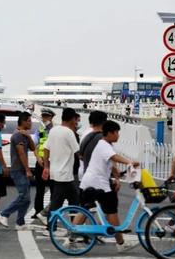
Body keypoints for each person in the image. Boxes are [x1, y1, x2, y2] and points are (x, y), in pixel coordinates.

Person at [74, 120, 140, 252]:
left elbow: (111, 163)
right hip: (98, 184)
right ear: (110, 133)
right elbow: (115, 158)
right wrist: (130, 162)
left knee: (85, 209)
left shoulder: (106, 145)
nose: (118, 135)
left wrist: (117, 178)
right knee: (111, 212)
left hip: (91, 182)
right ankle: (121, 244)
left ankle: (71, 236)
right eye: (117, 132)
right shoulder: (104, 145)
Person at [0, 112, 35, 230]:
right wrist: (28, 170)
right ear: (23, 122)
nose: (31, 123)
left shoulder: (24, 135)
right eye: (29, 121)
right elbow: (21, 153)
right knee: (24, 197)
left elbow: (33, 148)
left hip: (21, 170)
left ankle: (20, 223)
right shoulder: (17, 136)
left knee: (27, 199)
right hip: (18, 170)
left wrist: (28, 136)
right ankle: (3, 214)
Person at [43, 108, 80, 215]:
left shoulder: (54, 130)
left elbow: (46, 148)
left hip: (55, 173)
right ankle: (51, 227)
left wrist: (46, 167)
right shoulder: (69, 132)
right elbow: (78, 152)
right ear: (73, 119)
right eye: (75, 120)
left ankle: (74, 226)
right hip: (65, 175)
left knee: (74, 200)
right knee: (57, 203)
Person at [33, 108, 55, 224]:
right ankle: (38, 211)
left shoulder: (55, 131)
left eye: (47, 117)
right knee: (39, 189)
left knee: (53, 189)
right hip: (40, 163)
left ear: (51, 118)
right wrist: (38, 159)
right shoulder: (40, 130)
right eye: (43, 117)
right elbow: (35, 147)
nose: (44, 119)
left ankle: (51, 212)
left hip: (52, 164)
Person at [78, 110, 108, 179]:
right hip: (96, 177)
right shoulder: (101, 136)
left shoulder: (85, 133)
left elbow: (81, 156)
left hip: (84, 173)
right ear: (104, 122)